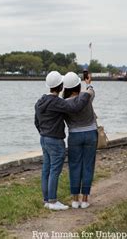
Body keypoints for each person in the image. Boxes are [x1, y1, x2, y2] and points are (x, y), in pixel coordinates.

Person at [34, 71, 91, 210]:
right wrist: (88, 93)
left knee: (46, 169)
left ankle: (47, 200)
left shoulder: (40, 101)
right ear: (60, 87)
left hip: (44, 138)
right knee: (54, 170)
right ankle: (53, 201)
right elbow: (75, 107)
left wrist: (44, 133)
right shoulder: (57, 102)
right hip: (55, 140)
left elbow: (36, 121)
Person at [63, 71, 97, 209]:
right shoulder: (86, 96)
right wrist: (88, 83)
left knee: (74, 166)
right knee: (88, 166)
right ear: (78, 85)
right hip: (90, 134)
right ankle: (85, 199)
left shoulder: (63, 104)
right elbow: (91, 91)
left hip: (74, 136)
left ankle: (75, 199)